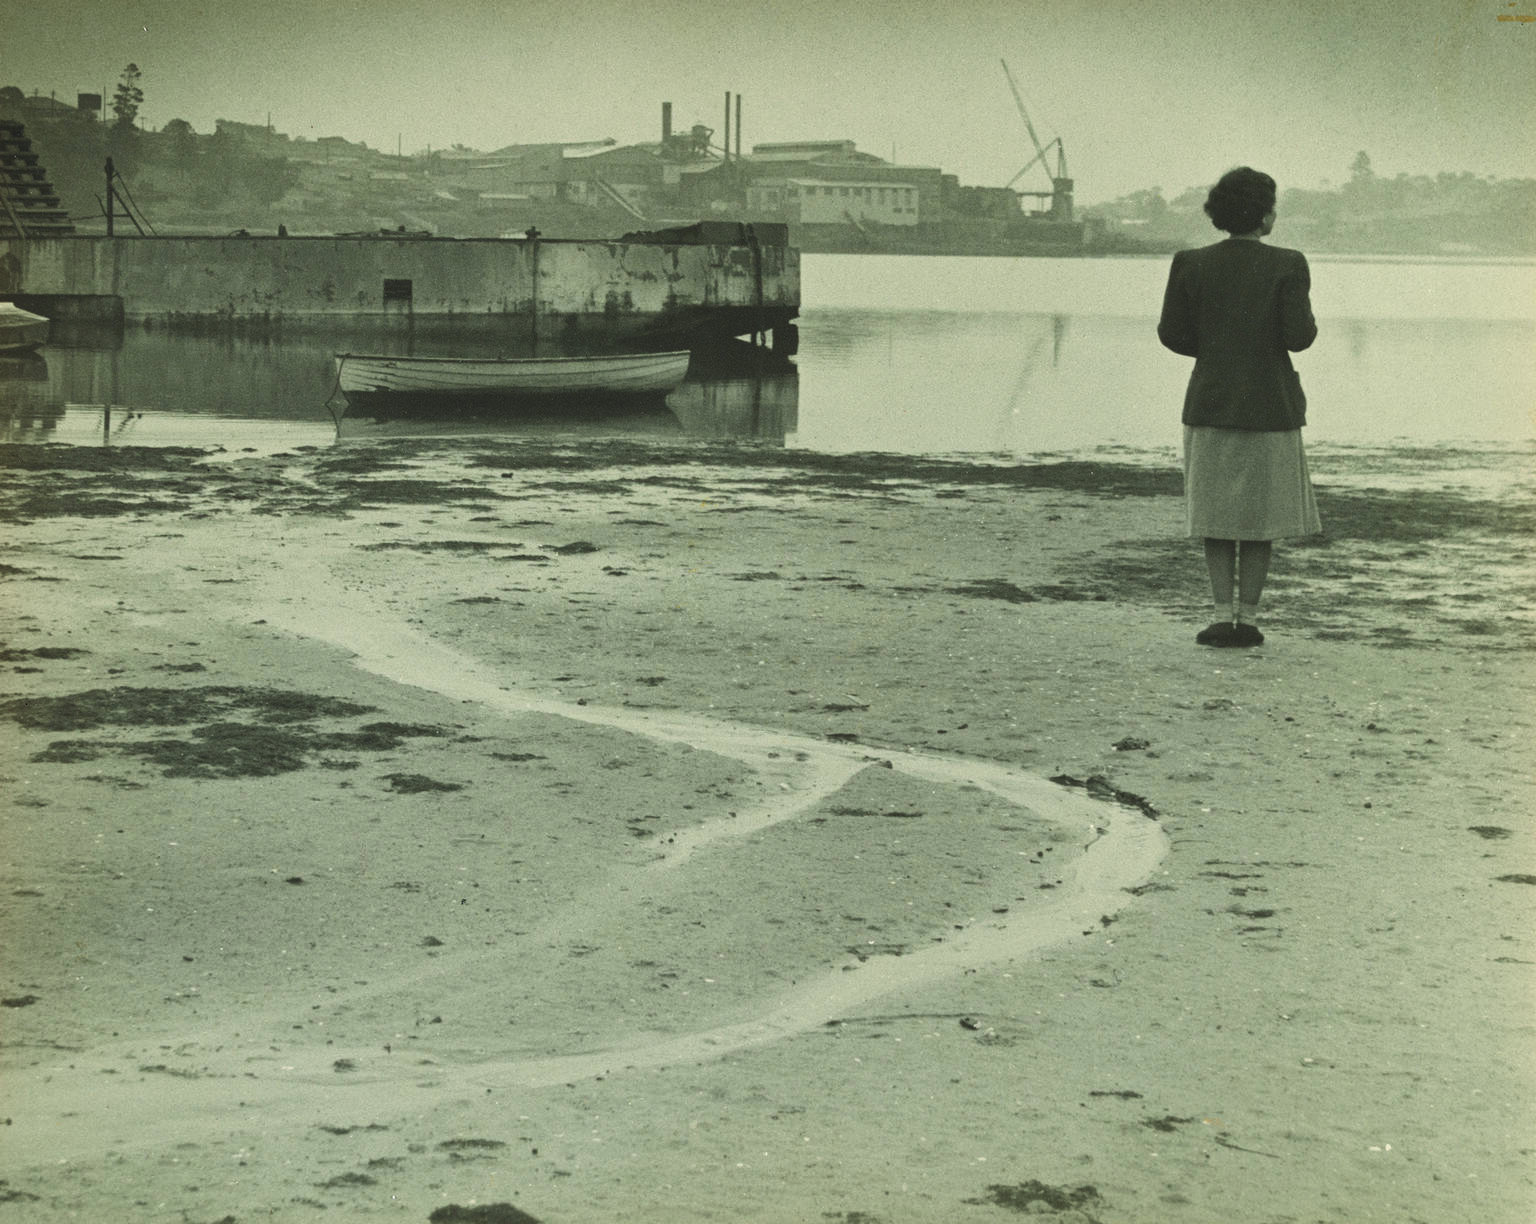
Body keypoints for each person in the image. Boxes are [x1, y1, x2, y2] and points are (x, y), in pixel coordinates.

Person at [1157, 166, 1320, 648]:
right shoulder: (1289, 263)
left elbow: (1172, 334)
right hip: (1271, 405)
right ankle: (1247, 621)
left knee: (1215, 517)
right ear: (1265, 216)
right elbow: (1300, 337)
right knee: (1258, 523)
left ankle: (1219, 615)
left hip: (1209, 400)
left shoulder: (1189, 261)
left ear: (1220, 214)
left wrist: (1217, 350)